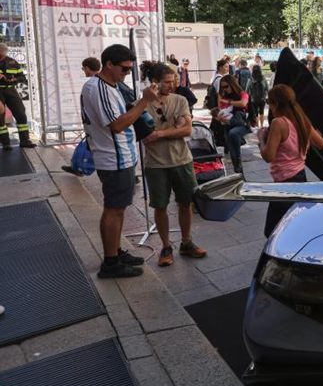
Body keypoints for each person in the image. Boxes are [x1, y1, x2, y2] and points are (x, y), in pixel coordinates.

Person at [81, 44, 159, 278]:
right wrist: (144, 102)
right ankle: (111, 262)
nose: (127, 73)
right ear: (109, 65)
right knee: (114, 210)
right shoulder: (99, 87)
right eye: (124, 69)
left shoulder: (106, 86)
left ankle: (114, 251)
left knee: (118, 209)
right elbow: (116, 125)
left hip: (118, 156)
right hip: (114, 158)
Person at [142, 63, 207, 267]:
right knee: (160, 205)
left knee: (185, 202)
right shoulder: (142, 105)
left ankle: (186, 242)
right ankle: (165, 246)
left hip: (182, 160)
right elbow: (145, 137)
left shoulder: (180, 99)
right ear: (155, 82)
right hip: (156, 164)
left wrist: (160, 133)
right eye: (167, 82)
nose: (172, 85)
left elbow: (187, 130)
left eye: (174, 81)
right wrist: (174, 128)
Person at [258, 84, 323, 237]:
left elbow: (268, 156)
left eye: (269, 102)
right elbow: (322, 144)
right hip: (300, 177)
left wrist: (261, 139)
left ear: (275, 103)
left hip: (284, 183)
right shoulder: (302, 120)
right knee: (292, 225)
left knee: (273, 231)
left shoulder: (279, 123)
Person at [0, 42, 35, 149]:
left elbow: (22, 78)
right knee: (0, 117)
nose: (2, 53)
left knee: (20, 113)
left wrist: (14, 79)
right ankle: (6, 143)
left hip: (11, 90)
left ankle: (25, 141)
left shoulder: (12, 62)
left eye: (3, 51)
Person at [214, 74, 251, 173]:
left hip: (242, 124)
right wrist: (219, 117)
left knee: (233, 134)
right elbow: (220, 109)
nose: (224, 89)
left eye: (226, 86)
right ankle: (239, 172)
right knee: (232, 151)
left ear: (232, 84)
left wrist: (229, 102)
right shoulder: (223, 95)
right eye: (222, 87)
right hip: (227, 124)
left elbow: (243, 103)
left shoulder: (242, 94)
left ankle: (238, 165)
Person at [248, 64, 268, 128]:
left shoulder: (251, 78)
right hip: (262, 99)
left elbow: (247, 90)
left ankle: (257, 126)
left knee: (255, 113)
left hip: (253, 99)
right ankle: (262, 126)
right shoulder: (263, 78)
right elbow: (267, 88)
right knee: (261, 112)